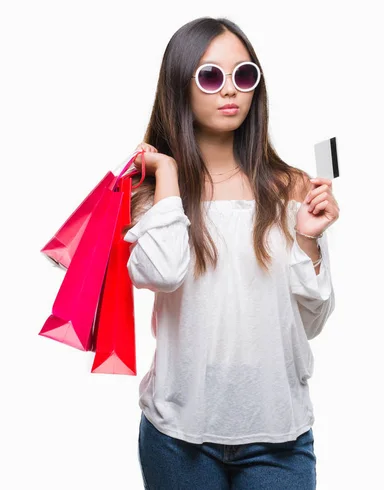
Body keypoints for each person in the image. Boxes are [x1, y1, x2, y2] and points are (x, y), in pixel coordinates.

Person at [121, 16, 339, 490]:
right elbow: (162, 272)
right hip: (178, 436)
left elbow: (313, 322)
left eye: (244, 76)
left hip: (279, 435)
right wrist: (170, 176)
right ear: (181, 86)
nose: (230, 90)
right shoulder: (149, 195)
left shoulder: (292, 186)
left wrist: (307, 239)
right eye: (211, 76)